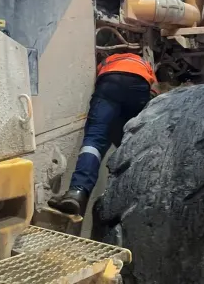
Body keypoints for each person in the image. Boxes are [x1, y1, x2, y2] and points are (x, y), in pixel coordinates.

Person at [49, 51, 157, 216]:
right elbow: (154, 91)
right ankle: (134, 198)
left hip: (109, 83)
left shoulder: (108, 61)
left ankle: (77, 192)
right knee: (135, 141)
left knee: (94, 140)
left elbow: (99, 79)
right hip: (139, 85)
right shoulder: (143, 63)